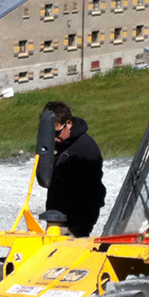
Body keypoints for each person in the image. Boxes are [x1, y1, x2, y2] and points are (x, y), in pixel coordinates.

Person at [41, 101, 106, 237]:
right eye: (49, 133)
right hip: (56, 219)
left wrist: (81, 226)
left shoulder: (86, 149)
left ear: (69, 124)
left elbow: (94, 192)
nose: (54, 138)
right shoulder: (61, 144)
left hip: (73, 223)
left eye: (56, 132)